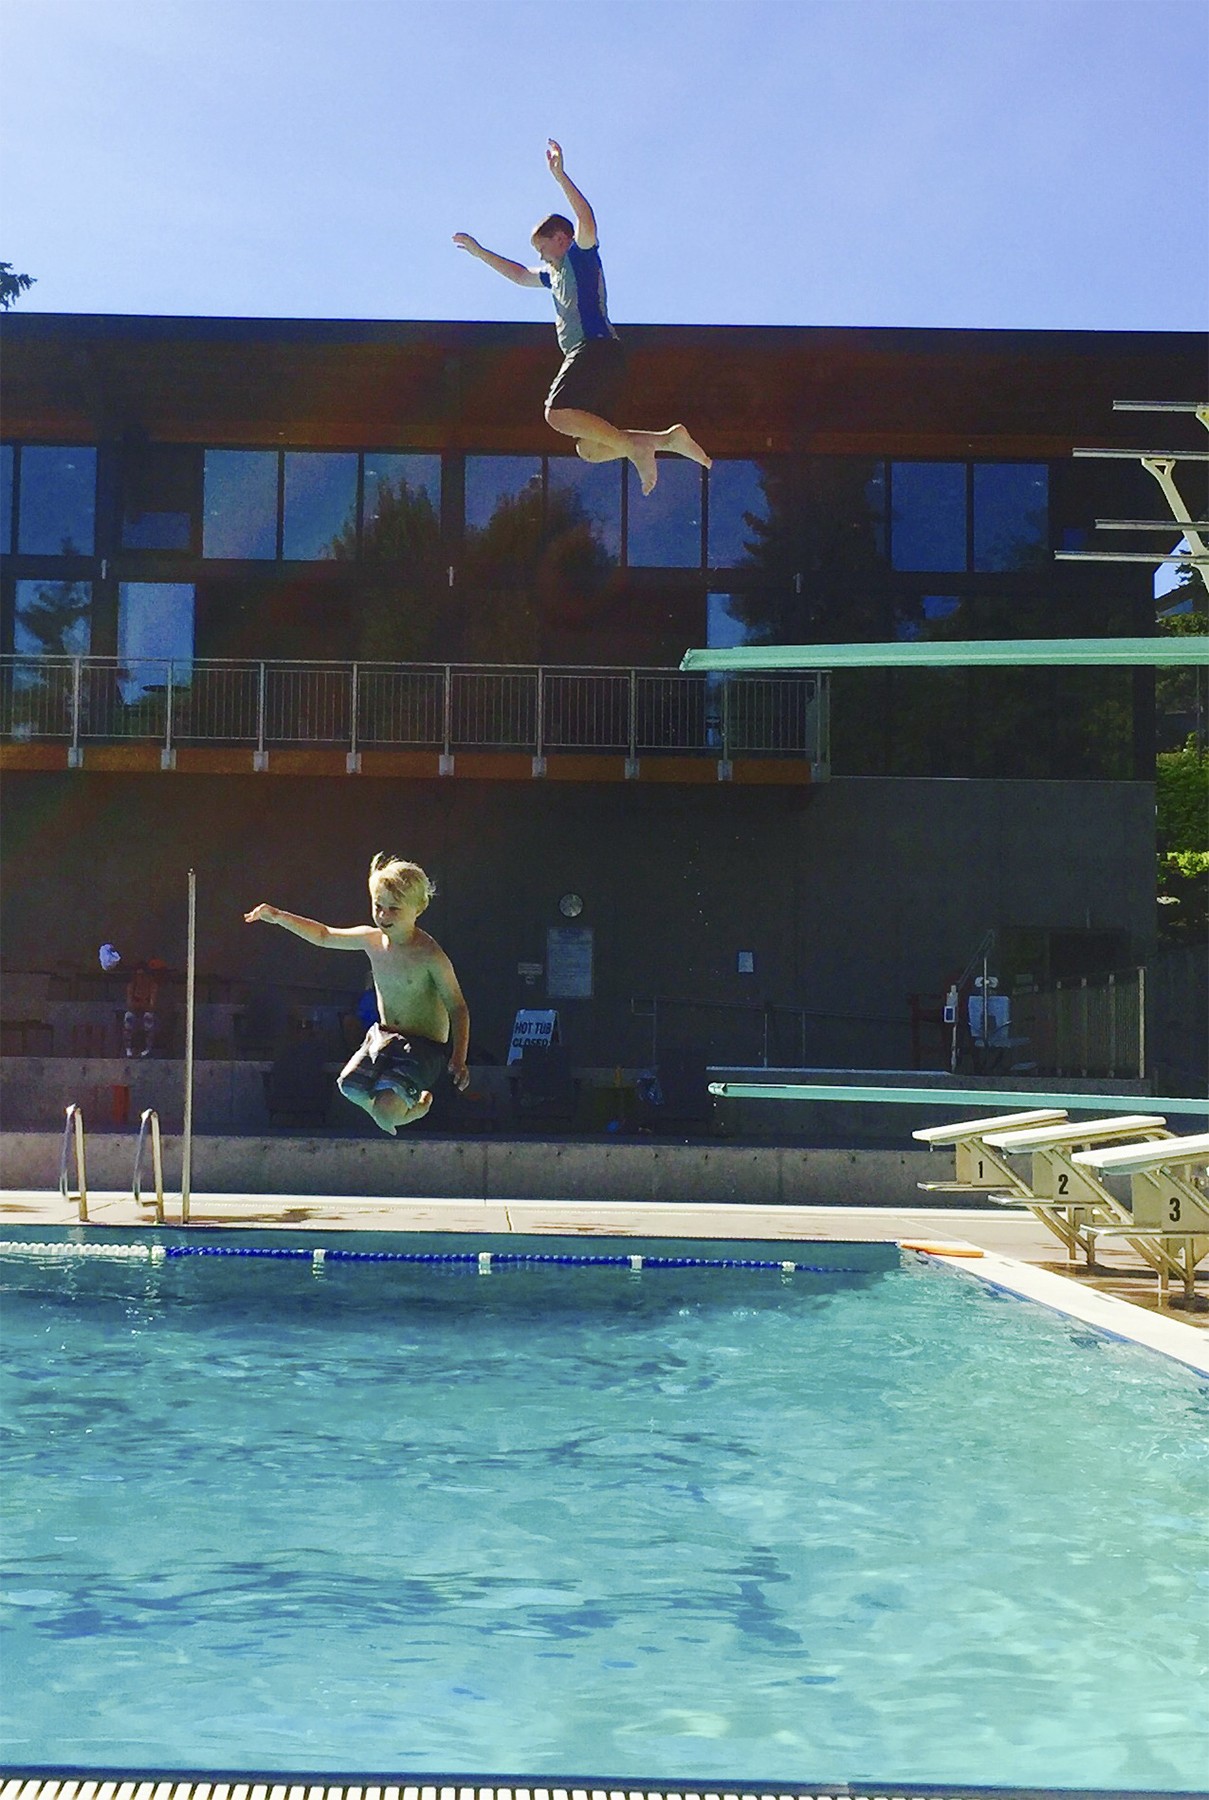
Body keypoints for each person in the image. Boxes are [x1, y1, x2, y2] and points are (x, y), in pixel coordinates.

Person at [454, 139, 711, 497]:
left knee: (555, 414)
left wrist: (561, 177)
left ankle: (637, 448)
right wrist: (481, 253)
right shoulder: (552, 274)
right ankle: (666, 440)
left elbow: (586, 218)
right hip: (602, 360)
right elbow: (517, 274)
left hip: (595, 350)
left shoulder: (580, 255)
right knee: (589, 448)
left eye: (542, 247)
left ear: (560, 238)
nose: (541, 256)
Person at [244, 854, 470, 1133]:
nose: (383, 915)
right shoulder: (371, 940)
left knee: (386, 1114)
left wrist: (458, 1057)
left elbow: (458, 1008)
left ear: (419, 908)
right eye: (378, 906)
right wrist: (278, 917)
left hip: (423, 1048)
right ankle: (387, 1112)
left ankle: (411, 1111)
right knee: (348, 1085)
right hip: (386, 1036)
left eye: (394, 909)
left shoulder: (430, 956)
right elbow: (324, 935)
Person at [123, 960, 159, 1058]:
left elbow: (152, 1006)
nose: (141, 978)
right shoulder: (131, 986)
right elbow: (129, 1004)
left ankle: (147, 1049)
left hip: (147, 1013)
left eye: (143, 975)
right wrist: (142, 1004)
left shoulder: (152, 986)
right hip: (134, 1013)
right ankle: (128, 1049)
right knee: (128, 1017)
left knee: (148, 1018)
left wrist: (140, 1004)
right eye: (138, 975)